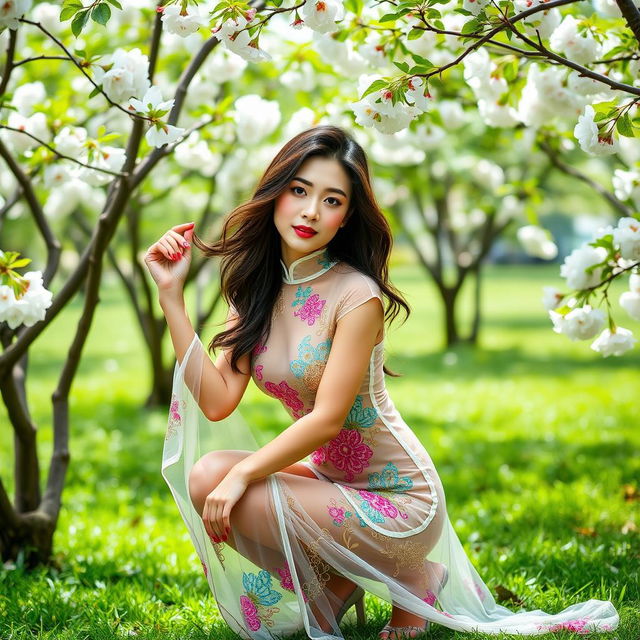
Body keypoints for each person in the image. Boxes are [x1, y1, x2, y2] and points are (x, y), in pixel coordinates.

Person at [144, 125, 619, 639]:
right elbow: (216, 402)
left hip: (399, 501)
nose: (310, 212)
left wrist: (244, 476)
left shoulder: (356, 294)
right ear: (275, 192)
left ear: (347, 216)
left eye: (331, 200)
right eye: (299, 191)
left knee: (229, 482)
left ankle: (410, 573)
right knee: (205, 475)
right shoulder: (256, 291)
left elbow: (327, 420)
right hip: (328, 487)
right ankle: (343, 580)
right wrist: (172, 296)